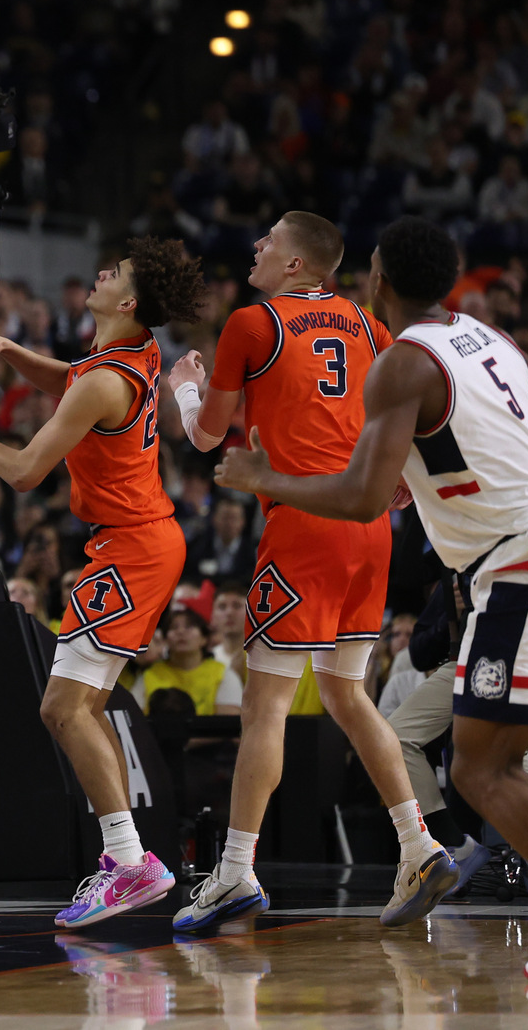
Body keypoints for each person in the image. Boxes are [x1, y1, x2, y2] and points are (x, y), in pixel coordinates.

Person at [216, 216, 528, 983]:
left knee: (478, 767)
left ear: (379, 280)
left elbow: (363, 498)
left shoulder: (401, 363)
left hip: (525, 558)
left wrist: (265, 479)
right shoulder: (485, 335)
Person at [166, 211, 454, 931]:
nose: (256, 246)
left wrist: (184, 387)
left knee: (264, 708)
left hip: (302, 522)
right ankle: (418, 843)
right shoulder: (368, 325)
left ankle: (234, 872)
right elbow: (417, 415)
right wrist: (401, 480)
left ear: (296, 263)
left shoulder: (251, 323)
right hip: (369, 528)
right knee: (347, 695)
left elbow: (205, 436)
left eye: (268, 240)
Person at [0, 237, 208, 927]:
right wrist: (14, 352)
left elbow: (25, 472)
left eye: (116, 272)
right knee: (83, 707)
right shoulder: (130, 351)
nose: (101, 272)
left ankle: (130, 862)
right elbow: (75, 381)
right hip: (138, 540)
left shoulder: (106, 378)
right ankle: (128, 857)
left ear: (128, 301)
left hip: (131, 548)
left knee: (62, 709)